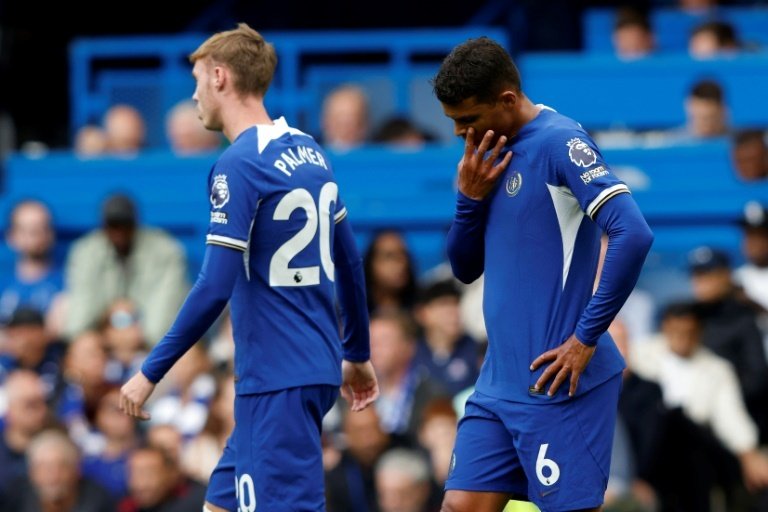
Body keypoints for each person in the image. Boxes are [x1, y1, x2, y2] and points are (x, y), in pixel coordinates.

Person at [118, 23, 378, 512]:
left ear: (219, 77)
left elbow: (215, 284)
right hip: (307, 369)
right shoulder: (310, 151)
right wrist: (357, 351)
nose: (194, 94)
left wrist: (150, 371)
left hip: (274, 379)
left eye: (197, 80)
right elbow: (348, 260)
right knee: (218, 505)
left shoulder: (238, 164)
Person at [431, 37, 654, 512]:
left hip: (558, 381)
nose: (458, 132)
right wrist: (468, 200)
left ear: (507, 100)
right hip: (498, 382)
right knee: (459, 506)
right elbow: (464, 268)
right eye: (453, 122)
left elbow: (632, 233)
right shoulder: (487, 155)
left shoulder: (560, 142)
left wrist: (586, 336)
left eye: (467, 119)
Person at [64, 194, 189, 344]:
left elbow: (163, 313)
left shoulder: (165, 250)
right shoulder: (85, 251)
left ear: (135, 224)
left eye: (125, 224)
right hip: (102, 332)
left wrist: (137, 332)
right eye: (113, 225)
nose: (119, 232)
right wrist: (106, 328)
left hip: (148, 335)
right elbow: (81, 313)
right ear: (104, 226)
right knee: (66, 315)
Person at [0, 199, 63, 325]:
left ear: (51, 234)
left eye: (43, 228)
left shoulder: (68, 283)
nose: (37, 236)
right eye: (29, 230)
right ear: (11, 236)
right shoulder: (3, 283)